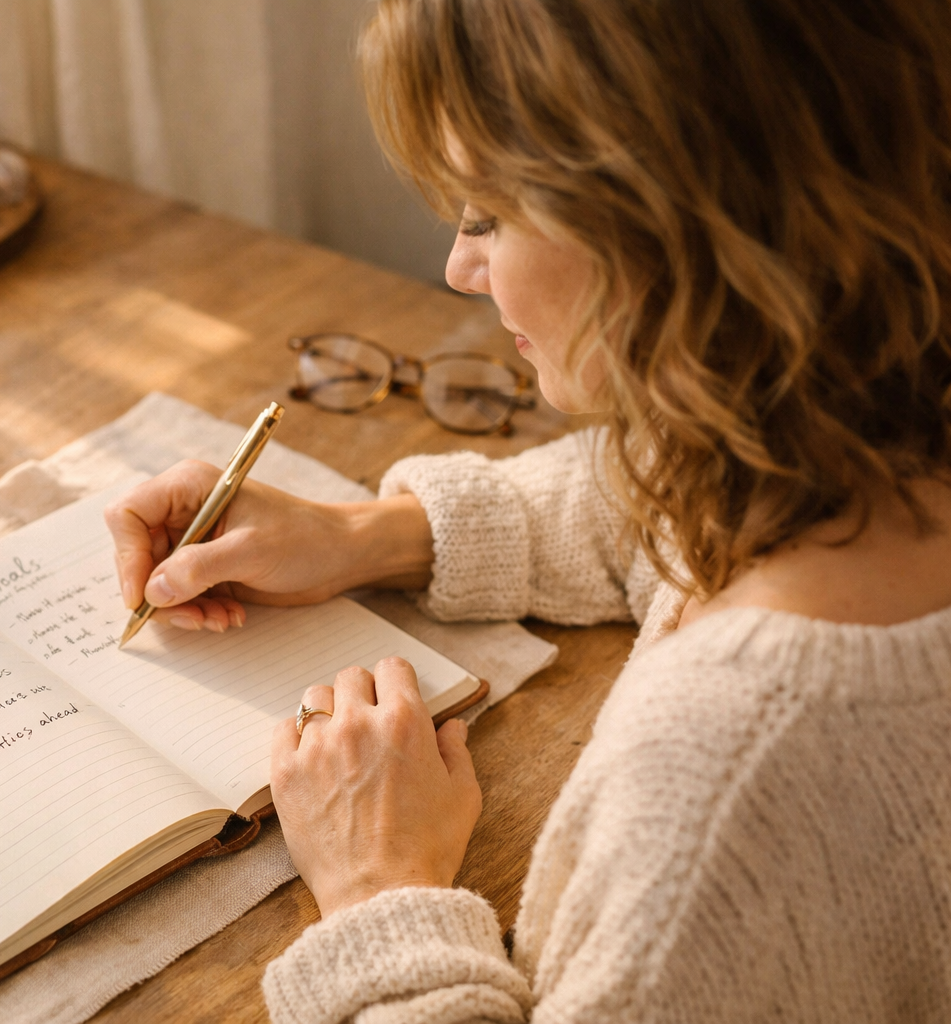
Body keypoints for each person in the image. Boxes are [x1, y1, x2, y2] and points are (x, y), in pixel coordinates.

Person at [103, 0, 951, 1019]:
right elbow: (656, 503)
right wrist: (370, 536)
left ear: (659, 221)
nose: (461, 269)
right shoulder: (866, 415)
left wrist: (382, 889)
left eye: (486, 215)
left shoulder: (719, 778)